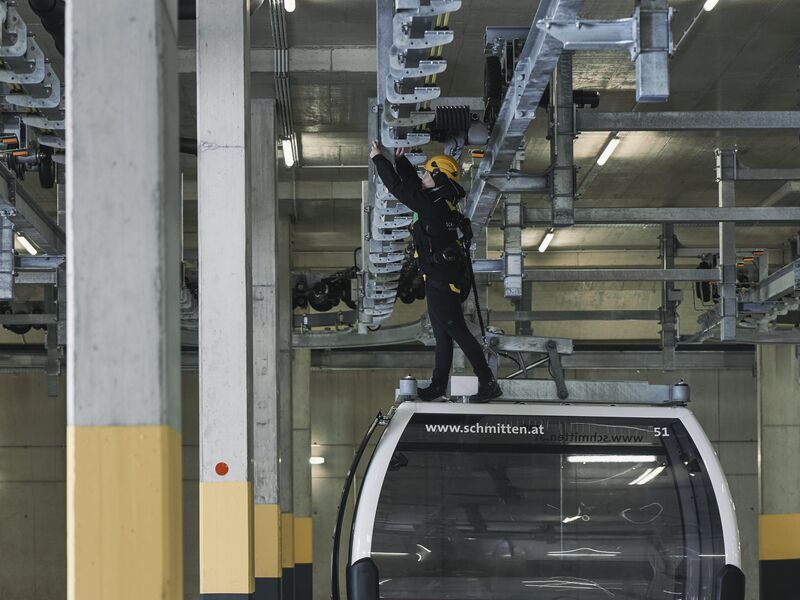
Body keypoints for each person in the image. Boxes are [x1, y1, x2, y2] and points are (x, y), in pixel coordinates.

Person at [369, 140, 502, 403]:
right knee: (443, 335)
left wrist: (378, 159)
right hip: (441, 279)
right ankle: (438, 386)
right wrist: (400, 161)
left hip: (442, 281)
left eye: (429, 173)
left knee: (456, 331)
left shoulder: (434, 206)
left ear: (439, 178)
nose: (425, 176)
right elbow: (412, 187)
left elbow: (399, 189)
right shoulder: (442, 203)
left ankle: (487, 381)